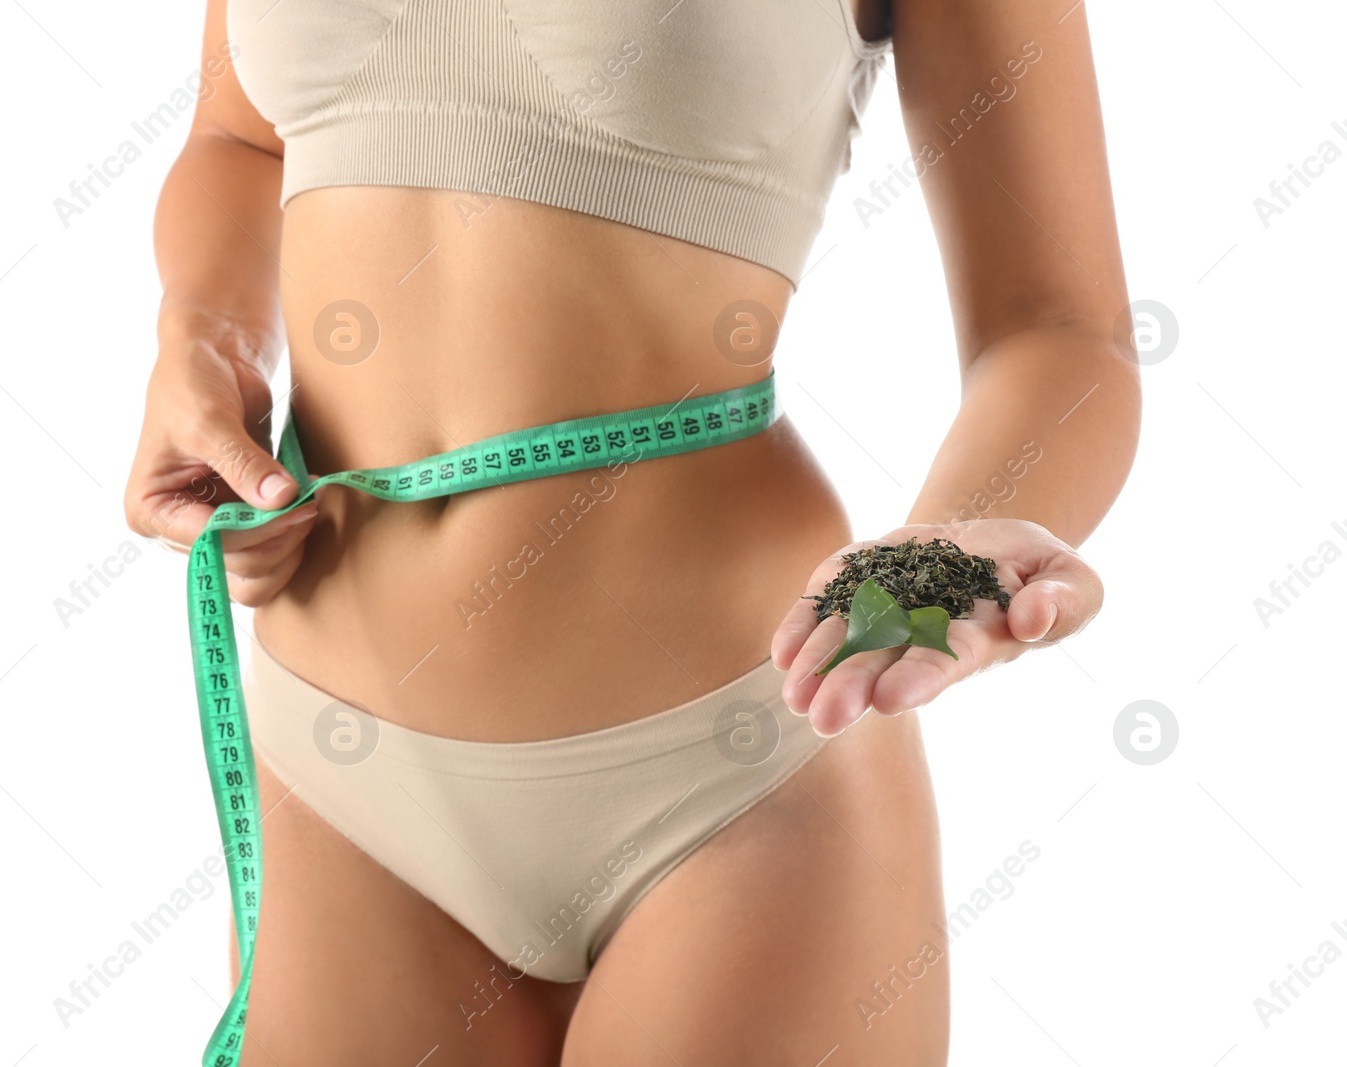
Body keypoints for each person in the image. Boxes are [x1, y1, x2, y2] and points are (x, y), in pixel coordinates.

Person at [123, 0, 1139, 1062]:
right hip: (333, 766)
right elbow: (238, 137)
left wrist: (947, 546)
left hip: (737, 765)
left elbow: (1057, 325)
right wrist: (205, 334)